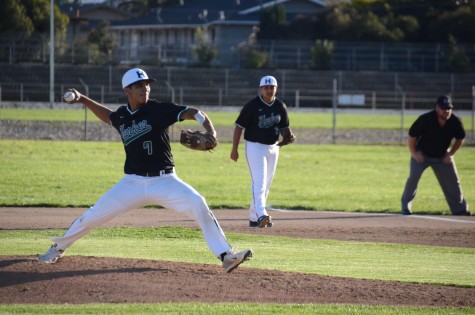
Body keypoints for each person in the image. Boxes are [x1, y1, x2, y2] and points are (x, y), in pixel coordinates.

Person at [38, 68, 253, 272]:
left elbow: (195, 112)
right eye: (139, 85)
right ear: (127, 91)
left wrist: (211, 132)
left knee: (198, 203)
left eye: (147, 84)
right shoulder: (122, 116)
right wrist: (83, 99)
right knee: (91, 217)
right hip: (132, 183)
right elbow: (108, 116)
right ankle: (58, 248)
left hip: (165, 181)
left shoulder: (158, 109)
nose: (145, 88)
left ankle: (226, 255)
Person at [230, 75, 295, 228]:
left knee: (266, 184)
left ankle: (254, 217)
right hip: (255, 146)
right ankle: (262, 214)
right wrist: (234, 149)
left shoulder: (280, 106)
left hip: (273, 147)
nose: (269, 90)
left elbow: (284, 127)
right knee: (259, 182)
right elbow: (239, 127)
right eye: (266, 87)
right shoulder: (252, 105)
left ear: (276, 88)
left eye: (271, 87)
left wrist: (289, 136)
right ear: (260, 89)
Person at [401, 95, 470, 216]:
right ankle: (406, 206)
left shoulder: (454, 121)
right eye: (444, 108)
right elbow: (412, 137)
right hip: (422, 155)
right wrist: (414, 153)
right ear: (437, 109)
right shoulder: (425, 119)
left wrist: (451, 154)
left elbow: (460, 138)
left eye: (449, 108)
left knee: (453, 182)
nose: (446, 111)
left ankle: (460, 210)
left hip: (442, 156)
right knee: (413, 178)